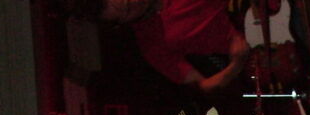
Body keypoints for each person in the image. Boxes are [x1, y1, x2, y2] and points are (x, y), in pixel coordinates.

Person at [95, 0, 251, 94]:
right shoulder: (151, 45)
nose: (135, 2)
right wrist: (236, 65)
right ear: (122, 23)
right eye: (128, 10)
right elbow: (203, 85)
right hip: (254, 39)